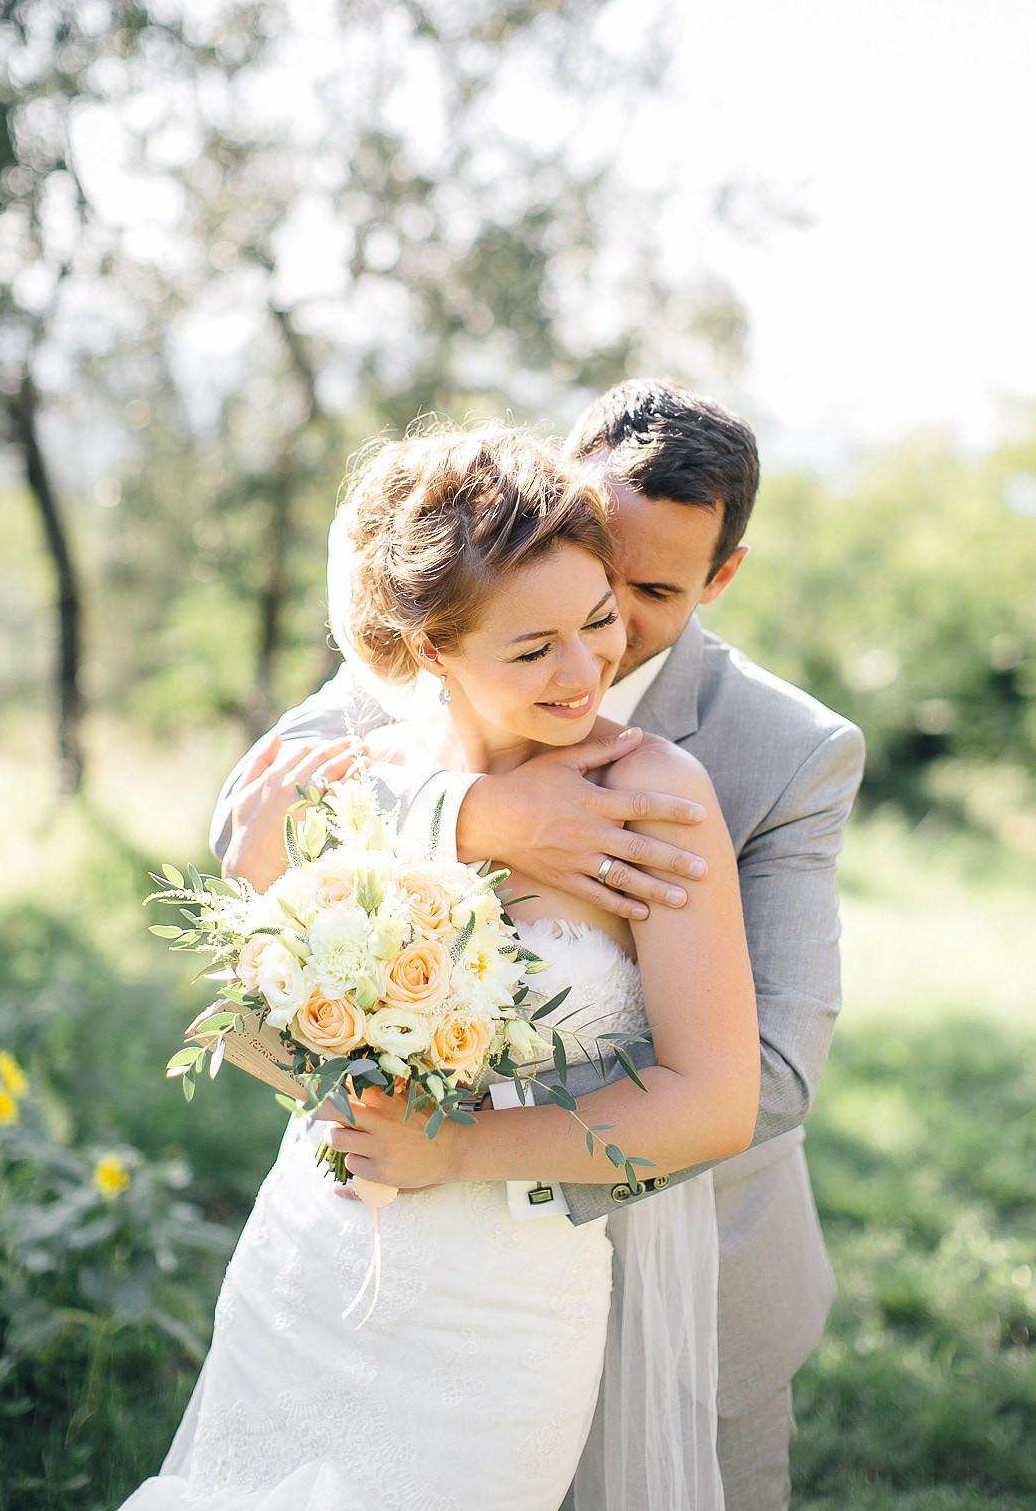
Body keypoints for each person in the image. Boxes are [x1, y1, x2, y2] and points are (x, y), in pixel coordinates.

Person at [215, 380, 866, 1511]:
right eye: (580, 570)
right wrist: (470, 819)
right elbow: (252, 837)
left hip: (680, 1257)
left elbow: (766, 1079)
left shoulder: (780, 754)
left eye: (635, 598)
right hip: (344, 1257)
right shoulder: (430, 641)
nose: (596, 641)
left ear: (719, 581)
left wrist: (468, 1149)